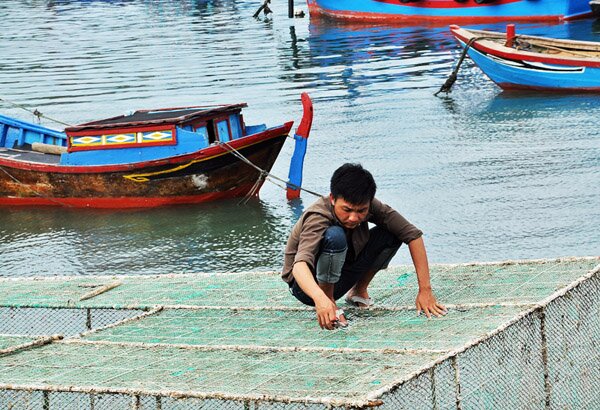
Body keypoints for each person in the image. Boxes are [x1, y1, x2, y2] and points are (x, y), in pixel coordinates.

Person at [282, 163, 446, 330]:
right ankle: (330, 302)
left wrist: (425, 290)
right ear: (333, 199)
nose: (354, 217)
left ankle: (358, 291)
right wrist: (321, 299)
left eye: (361, 211)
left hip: (343, 272)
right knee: (335, 236)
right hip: (307, 287)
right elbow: (300, 265)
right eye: (347, 210)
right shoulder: (318, 216)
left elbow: (413, 235)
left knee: (392, 233)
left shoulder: (371, 206)